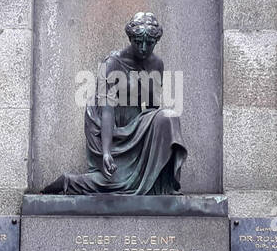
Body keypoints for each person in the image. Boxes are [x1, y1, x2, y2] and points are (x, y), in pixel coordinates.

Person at [41, 11, 186, 195]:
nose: (143, 48)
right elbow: (107, 110)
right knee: (114, 183)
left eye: (149, 44)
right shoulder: (113, 63)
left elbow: (151, 108)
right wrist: (107, 152)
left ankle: (161, 183)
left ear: (156, 42)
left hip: (135, 126)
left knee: (169, 118)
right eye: (137, 42)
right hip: (106, 127)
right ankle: (67, 182)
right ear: (129, 38)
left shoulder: (156, 64)